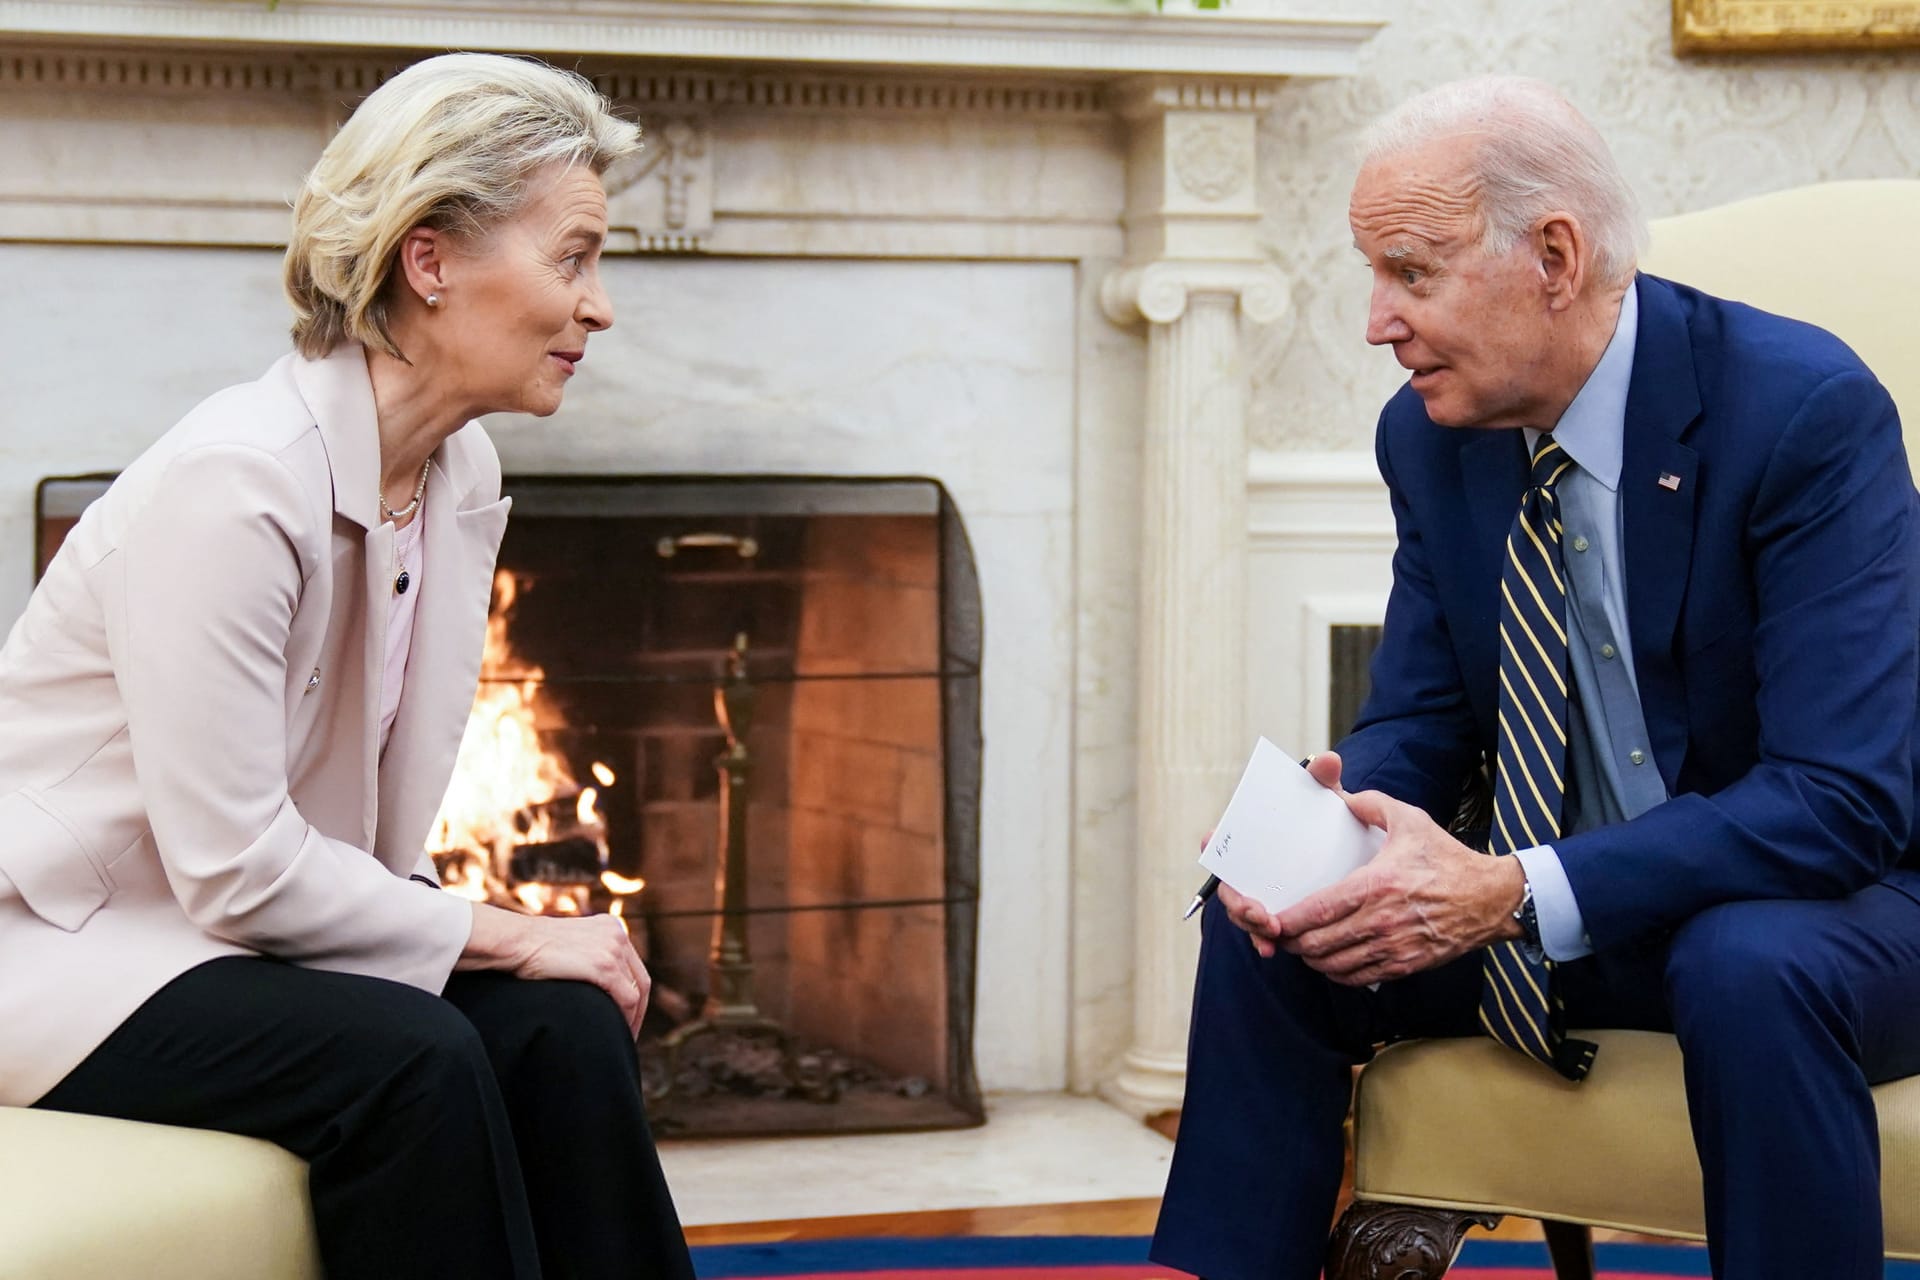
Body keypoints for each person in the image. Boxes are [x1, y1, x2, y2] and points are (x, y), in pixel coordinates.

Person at [1151, 76, 1920, 1280]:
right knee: (1271, 915)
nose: (1375, 323)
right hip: (1562, 890)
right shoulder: (1432, 432)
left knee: (1746, 961)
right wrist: (1334, 831)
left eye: (1411, 273)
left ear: (1554, 256)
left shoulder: (1801, 411)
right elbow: (1422, 713)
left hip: (1843, 902)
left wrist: (1515, 886)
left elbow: (1842, 799)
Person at [0, 52, 695, 1279]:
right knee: (413, 1058)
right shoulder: (238, 480)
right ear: (429, 260)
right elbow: (232, 865)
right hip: (73, 952)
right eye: (574, 255)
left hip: (233, 947)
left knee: (562, 1028)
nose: (601, 306)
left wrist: (521, 953)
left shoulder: (457, 473)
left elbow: (360, 844)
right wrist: (511, 928)